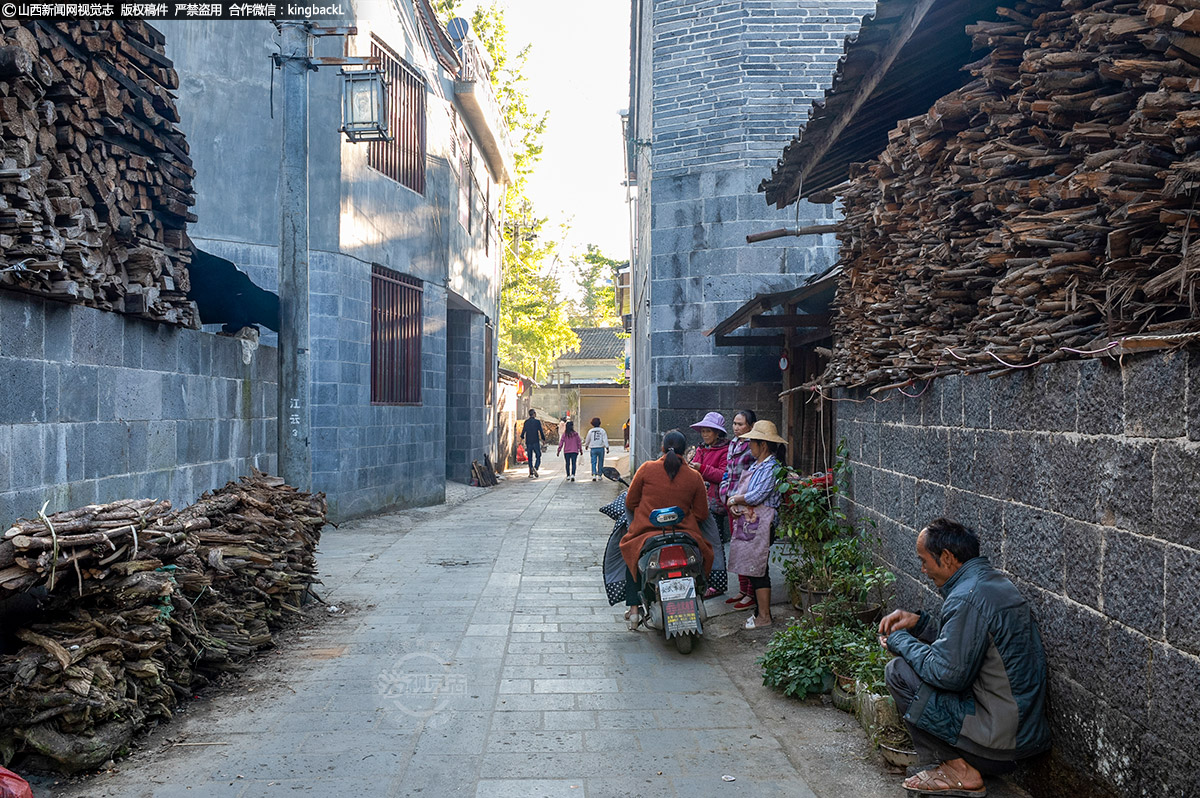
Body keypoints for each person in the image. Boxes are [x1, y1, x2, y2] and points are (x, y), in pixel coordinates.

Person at [879, 518, 1051, 797]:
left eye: (924, 561)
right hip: (1023, 736)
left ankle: (960, 770)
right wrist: (920, 624)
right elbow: (968, 645)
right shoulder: (989, 583)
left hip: (999, 745)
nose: (922, 570)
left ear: (946, 558)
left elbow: (947, 674)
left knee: (899, 671)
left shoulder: (967, 597)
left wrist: (899, 640)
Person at [620, 429, 714, 629]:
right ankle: (698, 596)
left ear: (662, 448)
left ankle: (635, 610)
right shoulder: (694, 476)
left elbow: (631, 502)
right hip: (685, 534)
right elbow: (701, 514)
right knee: (704, 556)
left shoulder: (646, 469)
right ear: (684, 449)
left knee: (631, 554)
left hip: (646, 533)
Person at [725, 419, 784, 630]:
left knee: (759, 569)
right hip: (751, 522)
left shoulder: (772, 467)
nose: (749, 446)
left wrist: (735, 500)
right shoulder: (757, 465)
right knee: (753, 569)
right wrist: (735, 503)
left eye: (753, 442)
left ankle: (765, 616)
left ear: (764, 445)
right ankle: (759, 612)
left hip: (763, 525)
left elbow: (756, 495)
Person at [719, 409, 757, 608]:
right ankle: (742, 589)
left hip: (746, 503)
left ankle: (751, 592)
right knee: (737, 546)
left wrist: (739, 502)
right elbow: (727, 473)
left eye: (740, 424)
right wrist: (726, 497)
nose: (736, 427)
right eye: (734, 423)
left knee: (747, 547)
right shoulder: (733, 444)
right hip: (731, 500)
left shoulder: (754, 446)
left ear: (751, 426)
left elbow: (753, 478)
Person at [688, 412, 729, 599]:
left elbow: (723, 475)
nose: (705, 435)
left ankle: (717, 583)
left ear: (717, 433)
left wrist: (701, 469)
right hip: (699, 502)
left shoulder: (725, 451)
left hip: (716, 503)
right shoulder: (702, 448)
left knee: (714, 544)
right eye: (703, 431)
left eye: (708, 431)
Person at [521, 409, 546, 478]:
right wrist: (543, 439)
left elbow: (523, 431)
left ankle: (531, 473)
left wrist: (522, 438)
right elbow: (540, 431)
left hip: (528, 441)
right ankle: (536, 467)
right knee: (538, 455)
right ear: (534, 414)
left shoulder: (526, 422)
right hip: (535, 441)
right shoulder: (537, 422)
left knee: (530, 457)